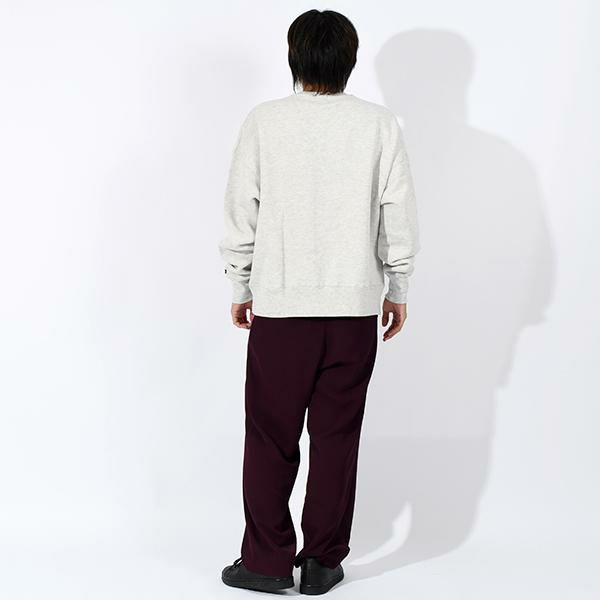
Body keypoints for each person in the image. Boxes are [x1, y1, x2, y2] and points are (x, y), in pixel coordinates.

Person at [218, 8, 421, 595]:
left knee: (270, 437)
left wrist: (240, 284)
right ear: (349, 60)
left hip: (281, 310)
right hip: (353, 311)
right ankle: (322, 563)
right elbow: (397, 213)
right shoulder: (379, 125)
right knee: (337, 437)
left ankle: (266, 561)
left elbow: (241, 210)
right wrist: (398, 288)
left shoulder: (265, 122)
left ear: (295, 57)